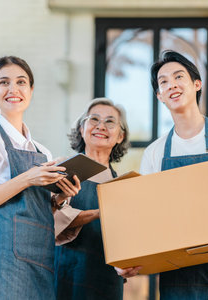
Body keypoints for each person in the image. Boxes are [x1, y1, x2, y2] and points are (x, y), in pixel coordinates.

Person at [116, 50, 208, 299]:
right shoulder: (154, 153)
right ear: (159, 96)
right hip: (176, 277)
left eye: (179, 77)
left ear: (197, 84)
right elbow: (145, 217)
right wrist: (130, 258)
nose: (171, 85)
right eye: (163, 82)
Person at [0, 56, 80, 299]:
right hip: (3, 262)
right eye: (4, 83)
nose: (13, 89)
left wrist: (60, 199)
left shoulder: (42, 152)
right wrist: (27, 178)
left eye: (21, 82)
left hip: (41, 261)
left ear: (31, 90)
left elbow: (36, 213)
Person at [53, 98, 133, 299]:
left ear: (120, 136)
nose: (101, 126)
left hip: (106, 282)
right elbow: (51, 221)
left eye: (110, 122)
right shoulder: (61, 169)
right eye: (94, 119)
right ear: (82, 129)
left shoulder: (123, 186)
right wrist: (99, 213)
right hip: (65, 277)